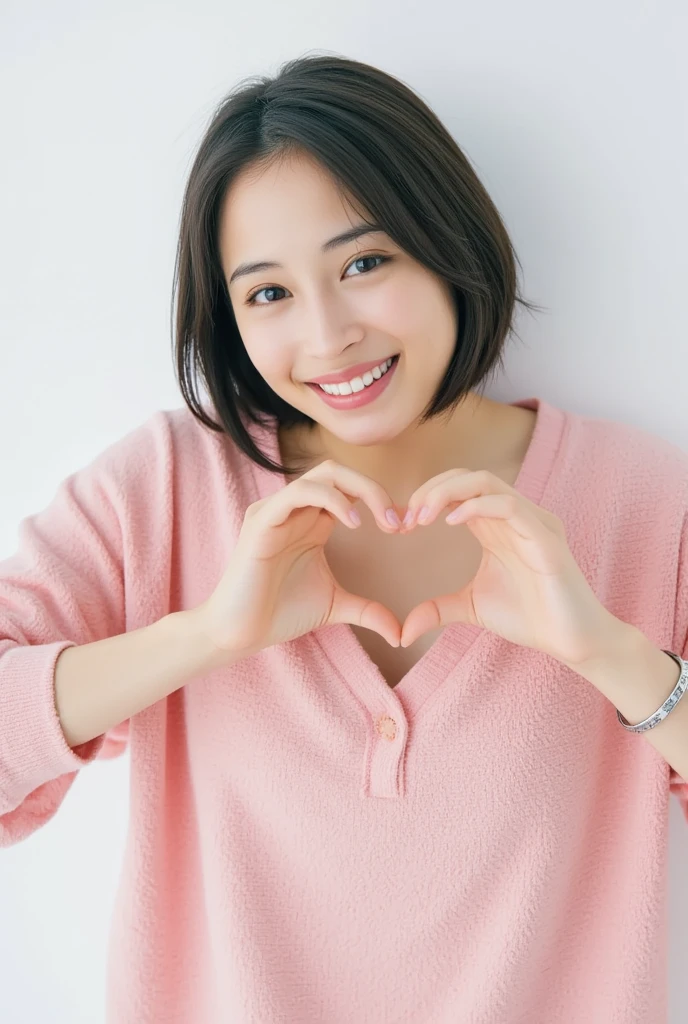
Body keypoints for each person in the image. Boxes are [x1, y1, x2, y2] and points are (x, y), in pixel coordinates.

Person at [1, 52, 688, 1024]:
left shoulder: (644, 500)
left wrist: (608, 652)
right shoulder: (161, 488)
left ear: (447, 244)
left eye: (365, 263)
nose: (327, 337)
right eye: (268, 294)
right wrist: (204, 637)